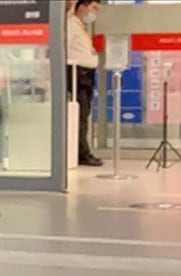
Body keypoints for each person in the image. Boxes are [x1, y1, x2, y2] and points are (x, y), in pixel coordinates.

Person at [68, 0, 104, 166]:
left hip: (86, 75)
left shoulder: (81, 27)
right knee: (80, 115)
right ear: (82, 7)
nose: (95, 13)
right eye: (93, 8)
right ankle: (82, 153)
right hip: (78, 74)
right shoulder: (71, 25)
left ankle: (82, 151)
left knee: (84, 114)